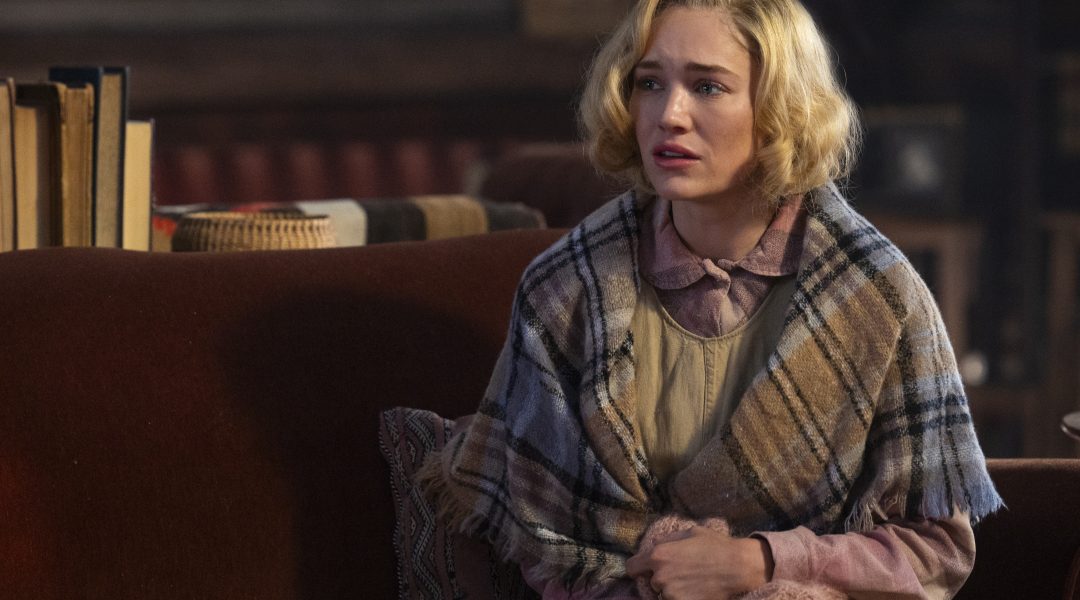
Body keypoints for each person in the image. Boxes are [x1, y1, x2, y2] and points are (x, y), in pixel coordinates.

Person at [420, 0, 1002, 598]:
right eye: (650, 83)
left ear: (778, 109)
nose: (669, 115)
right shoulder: (565, 289)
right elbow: (548, 540)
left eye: (707, 87)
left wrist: (759, 564)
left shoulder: (876, 295)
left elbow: (936, 550)